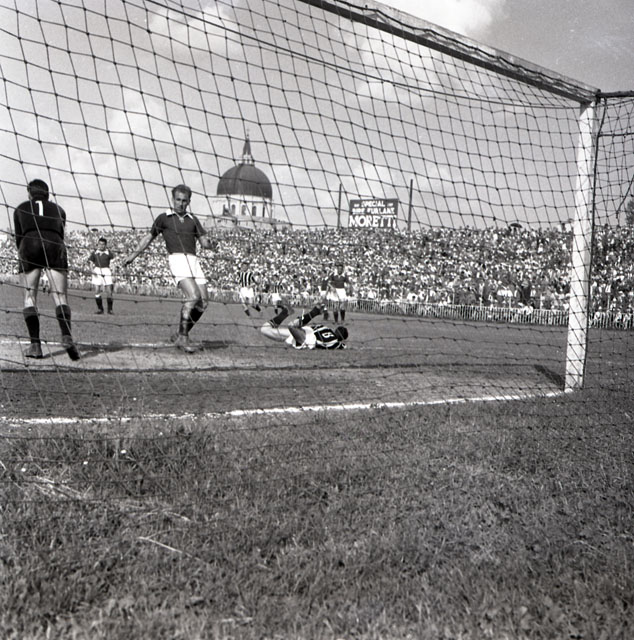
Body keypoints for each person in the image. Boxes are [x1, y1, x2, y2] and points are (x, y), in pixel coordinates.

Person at [123, 184, 214, 353]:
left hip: (194, 261)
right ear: (173, 199)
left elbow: (203, 242)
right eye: (178, 200)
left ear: (189, 201)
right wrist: (133, 255)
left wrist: (210, 243)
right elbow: (148, 237)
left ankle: (180, 334)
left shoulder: (193, 219)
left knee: (203, 302)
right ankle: (183, 339)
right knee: (193, 296)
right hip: (178, 259)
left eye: (184, 200)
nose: (181, 203)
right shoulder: (164, 218)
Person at [13, 178, 80, 360]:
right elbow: (61, 232)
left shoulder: (20, 208)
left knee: (29, 297)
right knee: (60, 296)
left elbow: (19, 238)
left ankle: (35, 346)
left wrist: (25, 255)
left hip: (30, 242)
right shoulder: (59, 210)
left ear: (29, 193)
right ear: (48, 194)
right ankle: (66, 336)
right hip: (54, 243)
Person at [260, 303, 348, 350]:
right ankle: (312, 313)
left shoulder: (326, 329)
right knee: (289, 326)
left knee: (265, 329)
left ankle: (286, 313)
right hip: (307, 336)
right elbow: (344, 346)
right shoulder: (336, 342)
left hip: (306, 334)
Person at [88, 237, 115, 314]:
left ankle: (110, 310)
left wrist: (113, 273)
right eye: (100, 244)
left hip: (106, 270)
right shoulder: (94, 253)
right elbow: (91, 263)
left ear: (105, 245)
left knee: (109, 291)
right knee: (97, 290)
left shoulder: (109, 253)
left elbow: (112, 264)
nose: (101, 246)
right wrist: (92, 270)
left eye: (103, 244)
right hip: (97, 270)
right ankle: (100, 309)